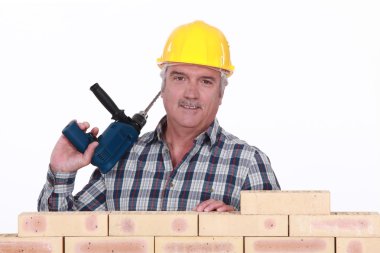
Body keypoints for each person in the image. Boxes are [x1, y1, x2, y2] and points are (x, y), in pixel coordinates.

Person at [38, 20, 280, 212]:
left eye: (206, 81)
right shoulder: (122, 160)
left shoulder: (249, 164)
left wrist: (239, 231)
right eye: (179, 77)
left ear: (221, 93)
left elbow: (278, 242)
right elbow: (59, 238)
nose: (191, 93)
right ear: (163, 88)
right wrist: (60, 173)